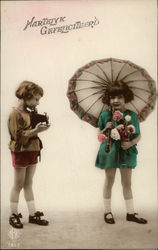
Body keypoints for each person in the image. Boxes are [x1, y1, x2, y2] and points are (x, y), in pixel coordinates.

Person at [95, 81, 147, 224]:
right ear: (108, 99)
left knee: (127, 183)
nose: (115, 100)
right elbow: (99, 134)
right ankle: (107, 212)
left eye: (119, 97)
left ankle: (130, 213)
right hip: (109, 151)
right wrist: (106, 127)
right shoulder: (105, 115)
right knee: (109, 181)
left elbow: (138, 136)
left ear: (126, 98)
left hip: (126, 152)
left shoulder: (132, 115)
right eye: (112, 97)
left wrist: (130, 143)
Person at [8, 81, 50, 229]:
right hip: (20, 151)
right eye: (36, 99)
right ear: (26, 96)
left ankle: (32, 214)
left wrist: (40, 128)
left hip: (33, 149)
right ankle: (13, 214)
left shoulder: (29, 112)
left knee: (28, 183)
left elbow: (31, 131)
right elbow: (17, 136)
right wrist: (35, 131)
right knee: (18, 183)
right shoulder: (15, 113)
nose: (38, 102)